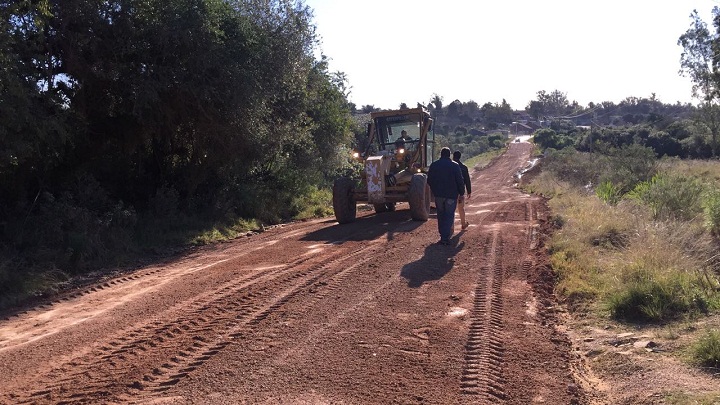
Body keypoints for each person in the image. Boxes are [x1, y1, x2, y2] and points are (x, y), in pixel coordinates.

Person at [427, 147, 466, 245]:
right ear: (449, 155)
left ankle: (442, 236)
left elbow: (429, 180)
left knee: (440, 215)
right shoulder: (455, 166)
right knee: (449, 215)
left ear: (441, 154)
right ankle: (445, 237)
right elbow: (460, 181)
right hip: (451, 196)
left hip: (439, 195)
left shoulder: (434, 165)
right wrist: (461, 193)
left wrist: (435, 190)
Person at [453, 151, 472, 230]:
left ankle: (451, 227)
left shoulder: (451, 166)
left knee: (451, 209)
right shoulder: (464, 167)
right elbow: (467, 180)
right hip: (460, 192)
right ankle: (463, 224)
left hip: (451, 191)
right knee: (461, 209)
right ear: (460, 157)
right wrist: (469, 191)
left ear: (453, 157)